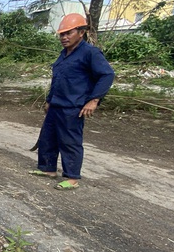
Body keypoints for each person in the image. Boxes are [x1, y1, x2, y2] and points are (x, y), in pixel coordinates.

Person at [30, 13, 115, 190]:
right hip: (56, 104)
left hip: (73, 106)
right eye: (62, 34)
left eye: (69, 33)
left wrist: (94, 100)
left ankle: (71, 177)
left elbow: (107, 75)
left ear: (81, 32)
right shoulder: (63, 55)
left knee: (70, 141)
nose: (64, 37)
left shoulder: (90, 53)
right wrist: (49, 100)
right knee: (48, 138)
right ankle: (48, 169)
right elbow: (58, 79)